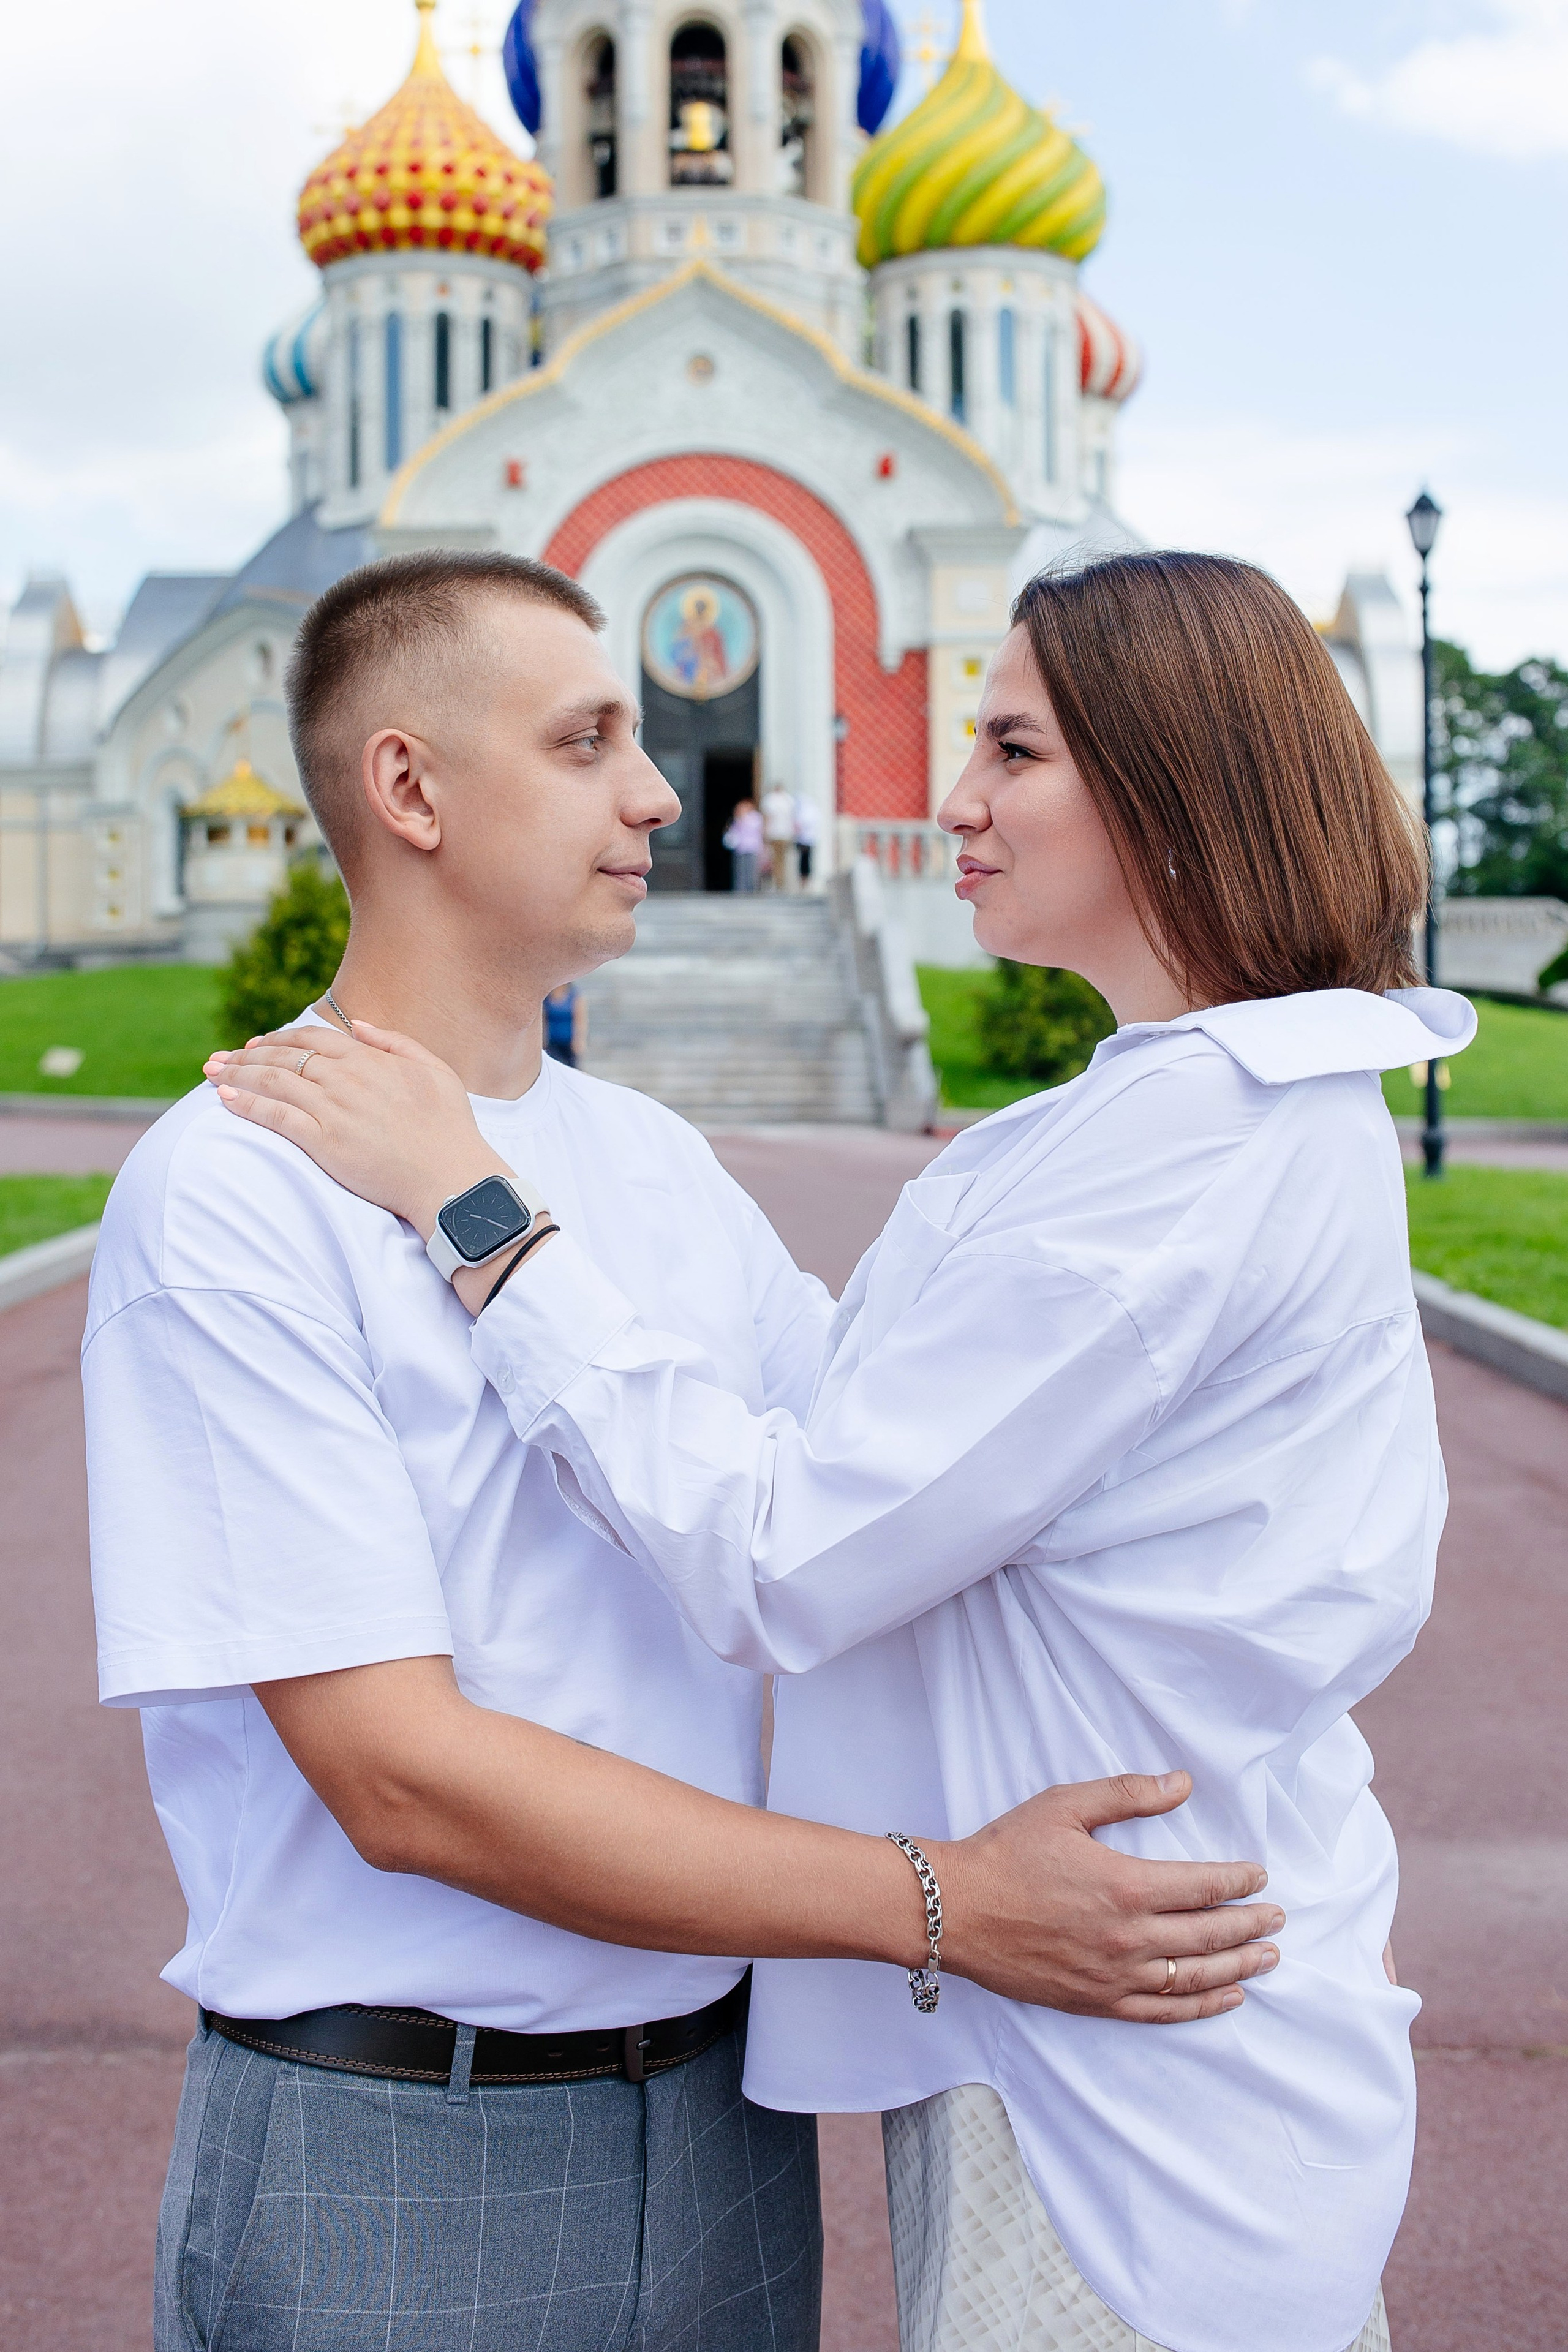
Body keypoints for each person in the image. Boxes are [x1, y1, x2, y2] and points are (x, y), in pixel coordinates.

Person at [213, 550, 1477, 2352]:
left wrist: (473, 1203)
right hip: (1110, 2011)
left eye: (1014, 750)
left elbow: (790, 1542)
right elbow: (865, 1410)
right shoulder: (1174, 1111)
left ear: (1174, 784)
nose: (949, 795)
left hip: (1121, 2059)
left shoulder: (1194, 1138)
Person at [762, 778, 797, 891]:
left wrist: (765, 833)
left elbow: (768, 818)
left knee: (775, 859)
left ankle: (778, 883)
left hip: (774, 834)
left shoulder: (770, 800)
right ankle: (781, 882)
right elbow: (793, 818)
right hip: (786, 834)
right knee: (783, 859)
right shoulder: (789, 800)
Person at [543, 977, 586, 1067]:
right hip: (552, 1040)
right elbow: (544, 1019)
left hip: (569, 1040)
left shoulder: (574, 995)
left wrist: (579, 1039)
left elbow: (579, 1019)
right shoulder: (548, 996)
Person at [724, 794, 763, 892]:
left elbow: (757, 831)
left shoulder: (755, 818)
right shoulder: (738, 819)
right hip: (741, 848)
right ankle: (740, 890)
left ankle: (752, 889)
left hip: (752, 847)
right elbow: (733, 832)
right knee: (740, 870)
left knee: (751, 870)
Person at [794, 791, 820, 885]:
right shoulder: (813, 811)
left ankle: (805, 879)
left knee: (806, 861)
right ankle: (804, 879)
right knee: (804, 860)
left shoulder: (807, 812)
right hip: (806, 840)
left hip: (807, 840)